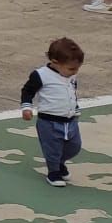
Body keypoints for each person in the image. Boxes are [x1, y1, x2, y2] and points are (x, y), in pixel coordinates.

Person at [20, 36, 84, 186]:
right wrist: (26, 107)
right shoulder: (41, 75)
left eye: (77, 68)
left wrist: (74, 108)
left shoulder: (70, 76)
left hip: (70, 119)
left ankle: (60, 162)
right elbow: (27, 91)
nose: (75, 72)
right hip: (49, 121)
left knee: (75, 146)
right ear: (55, 62)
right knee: (52, 149)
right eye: (71, 68)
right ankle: (53, 172)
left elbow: (71, 92)